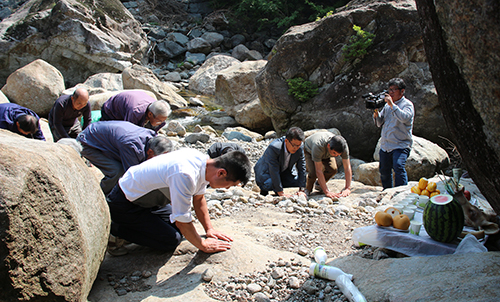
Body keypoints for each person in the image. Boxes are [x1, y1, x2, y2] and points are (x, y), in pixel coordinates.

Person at [106, 148, 252, 253]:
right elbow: (182, 221)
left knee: (179, 230)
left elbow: (199, 199)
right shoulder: (185, 174)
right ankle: (114, 229)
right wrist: (203, 245)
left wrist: (209, 229)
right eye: (231, 184)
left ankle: (133, 227)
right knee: (171, 240)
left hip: (149, 200)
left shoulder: (202, 162)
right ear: (221, 173)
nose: (227, 189)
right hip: (125, 203)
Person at [76, 121, 173, 194]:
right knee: (117, 171)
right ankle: (100, 194)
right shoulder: (132, 146)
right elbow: (132, 176)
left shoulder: (151, 137)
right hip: (87, 143)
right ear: (150, 151)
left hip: (104, 141)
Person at [373, 77, 414, 189]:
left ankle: (401, 192)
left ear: (402, 91)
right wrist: (376, 112)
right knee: (384, 170)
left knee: (398, 166)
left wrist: (392, 105)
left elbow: (405, 118)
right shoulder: (387, 106)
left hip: (401, 144)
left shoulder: (407, 105)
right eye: (389, 89)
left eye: (394, 90)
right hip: (386, 145)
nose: (390, 92)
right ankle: (387, 191)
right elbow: (379, 123)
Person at [254, 127, 307, 197]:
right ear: (286, 141)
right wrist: (281, 193)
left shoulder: (299, 148)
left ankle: (277, 187)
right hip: (266, 173)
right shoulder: (274, 147)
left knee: (298, 181)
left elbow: (302, 167)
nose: (296, 148)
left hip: (283, 172)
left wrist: (301, 190)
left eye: (298, 145)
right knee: (269, 184)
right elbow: (273, 170)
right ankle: (265, 190)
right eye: (294, 145)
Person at [304, 132, 352, 198]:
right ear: (329, 146)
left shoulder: (343, 147)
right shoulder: (318, 146)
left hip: (327, 153)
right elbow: (319, 170)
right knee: (313, 173)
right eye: (334, 153)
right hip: (310, 150)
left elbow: (347, 168)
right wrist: (327, 192)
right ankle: (307, 190)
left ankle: (319, 184)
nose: (336, 156)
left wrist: (347, 188)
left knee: (333, 169)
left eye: (338, 155)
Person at [100, 90, 170, 132]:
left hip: (132, 104)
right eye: (159, 121)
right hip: (111, 111)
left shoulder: (157, 109)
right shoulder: (135, 112)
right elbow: (128, 132)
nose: (160, 123)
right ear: (150, 114)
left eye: (163, 121)